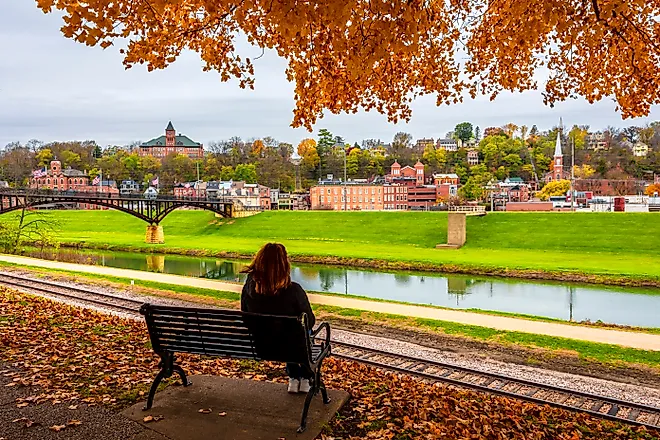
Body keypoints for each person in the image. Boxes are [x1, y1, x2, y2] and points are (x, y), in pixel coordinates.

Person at [240, 242, 316, 394]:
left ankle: (294, 378)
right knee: (300, 335)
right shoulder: (293, 290)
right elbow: (310, 322)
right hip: (292, 346)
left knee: (289, 334)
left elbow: (246, 318)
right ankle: (306, 378)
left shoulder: (249, 287)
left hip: (262, 346)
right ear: (284, 265)